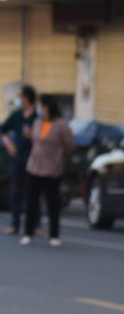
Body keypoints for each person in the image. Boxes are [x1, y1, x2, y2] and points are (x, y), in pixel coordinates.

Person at [20, 95, 74, 247]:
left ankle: (54, 235)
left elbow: (69, 146)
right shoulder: (37, 122)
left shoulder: (61, 125)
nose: (41, 109)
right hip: (34, 167)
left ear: (49, 107)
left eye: (43, 106)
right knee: (31, 201)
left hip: (52, 170)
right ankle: (28, 232)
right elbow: (35, 140)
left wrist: (59, 157)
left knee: (52, 203)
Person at [2, 85, 37, 236]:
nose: (18, 99)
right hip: (18, 158)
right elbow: (3, 130)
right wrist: (9, 145)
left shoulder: (37, 117)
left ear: (27, 98)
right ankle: (15, 224)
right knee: (15, 191)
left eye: (20, 96)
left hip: (34, 158)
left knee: (33, 191)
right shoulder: (16, 115)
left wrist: (32, 136)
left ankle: (35, 224)